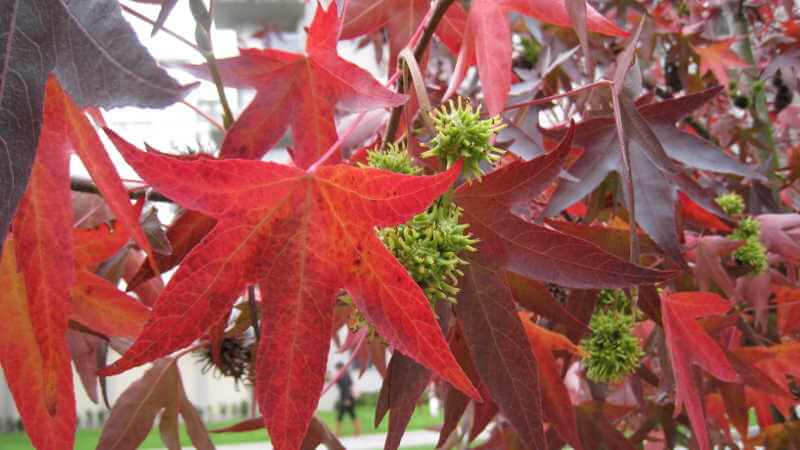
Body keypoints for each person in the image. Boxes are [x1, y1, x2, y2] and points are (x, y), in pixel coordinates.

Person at [334, 362, 361, 436]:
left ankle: (337, 432)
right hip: (347, 398)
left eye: (338, 369)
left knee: (340, 415)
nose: (337, 371)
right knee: (352, 414)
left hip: (346, 399)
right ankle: (358, 431)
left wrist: (347, 399)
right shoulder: (345, 375)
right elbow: (336, 381)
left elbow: (347, 388)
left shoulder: (345, 376)